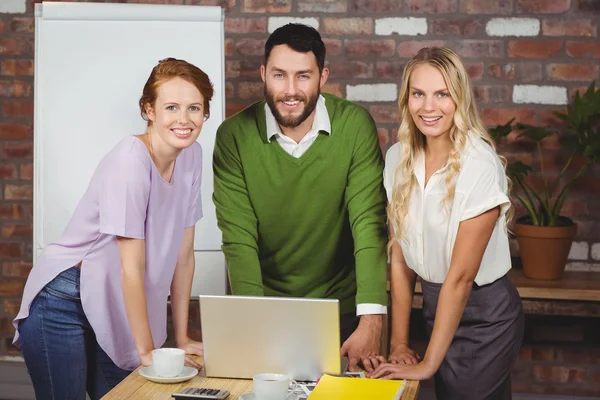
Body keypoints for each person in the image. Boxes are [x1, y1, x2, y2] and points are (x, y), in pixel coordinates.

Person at [12, 58, 214, 400]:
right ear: (149, 110)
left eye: (194, 108)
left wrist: (181, 339)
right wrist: (148, 352)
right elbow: (130, 267)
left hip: (113, 298)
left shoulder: (191, 156)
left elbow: (183, 257)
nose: (184, 119)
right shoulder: (130, 162)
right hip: (63, 298)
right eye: (172, 107)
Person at [212, 23, 388, 372]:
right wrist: (253, 319)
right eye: (279, 75)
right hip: (266, 308)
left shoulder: (354, 126)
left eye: (303, 76)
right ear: (264, 74)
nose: (290, 90)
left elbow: (368, 223)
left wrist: (372, 320)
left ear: (322, 76)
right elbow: (238, 238)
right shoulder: (233, 136)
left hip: (343, 310)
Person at [369, 47, 524, 399]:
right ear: (406, 98)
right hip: (436, 308)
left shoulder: (479, 164)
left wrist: (427, 364)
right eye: (418, 94)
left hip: (486, 317)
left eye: (442, 94)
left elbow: (460, 278)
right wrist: (399, 342)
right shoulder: (397, 159)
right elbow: (400, 257)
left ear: (459, 98)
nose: (428, 106)